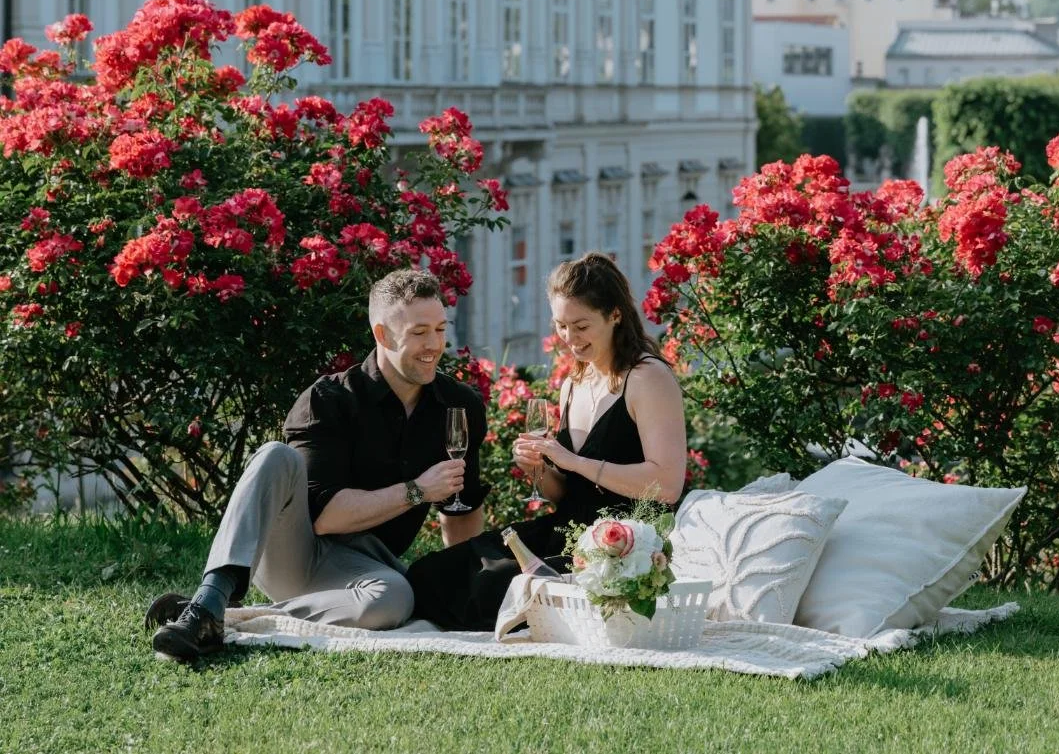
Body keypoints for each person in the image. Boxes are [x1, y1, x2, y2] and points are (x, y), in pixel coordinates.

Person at [147, 268, 489, 661]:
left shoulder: (459, 406)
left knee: (395, 599)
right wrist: (418, 490)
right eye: (418, 333)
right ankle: (210, 599)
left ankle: (223, 618)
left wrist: (460, 585)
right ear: (382, 334)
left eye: (440, 329)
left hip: (367, 566)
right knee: (275, 455)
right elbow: (326, 518)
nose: (434, 345)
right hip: (297, 553)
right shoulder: (327, 400)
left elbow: (461, 507)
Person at [406, 252, 686, 630]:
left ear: (615, 314)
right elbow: (570, 493)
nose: (570, 339)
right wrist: (541, 472)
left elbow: (666, 485)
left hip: (628, 543)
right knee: (433, 572)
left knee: (489, 588)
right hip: (568, 529)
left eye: (581, 325)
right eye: (561, 326)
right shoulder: (573, 383)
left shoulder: (647, 377)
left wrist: (572, 462)